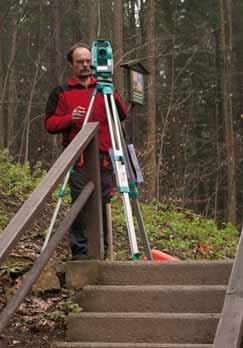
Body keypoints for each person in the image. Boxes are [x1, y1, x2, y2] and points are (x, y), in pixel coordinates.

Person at [44, 42, 128, 260]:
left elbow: (122, 113)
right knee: (80, 205)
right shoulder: (61, 93)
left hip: (104, 158)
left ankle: (104, 249)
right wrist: (69, 119)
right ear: (71, 64)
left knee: (102, 203)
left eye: (89, 61)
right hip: (79, 157)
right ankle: (81, 253)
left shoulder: (104, 89)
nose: (85, 65)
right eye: (80, 61)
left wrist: (108, 86)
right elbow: (50, 124)